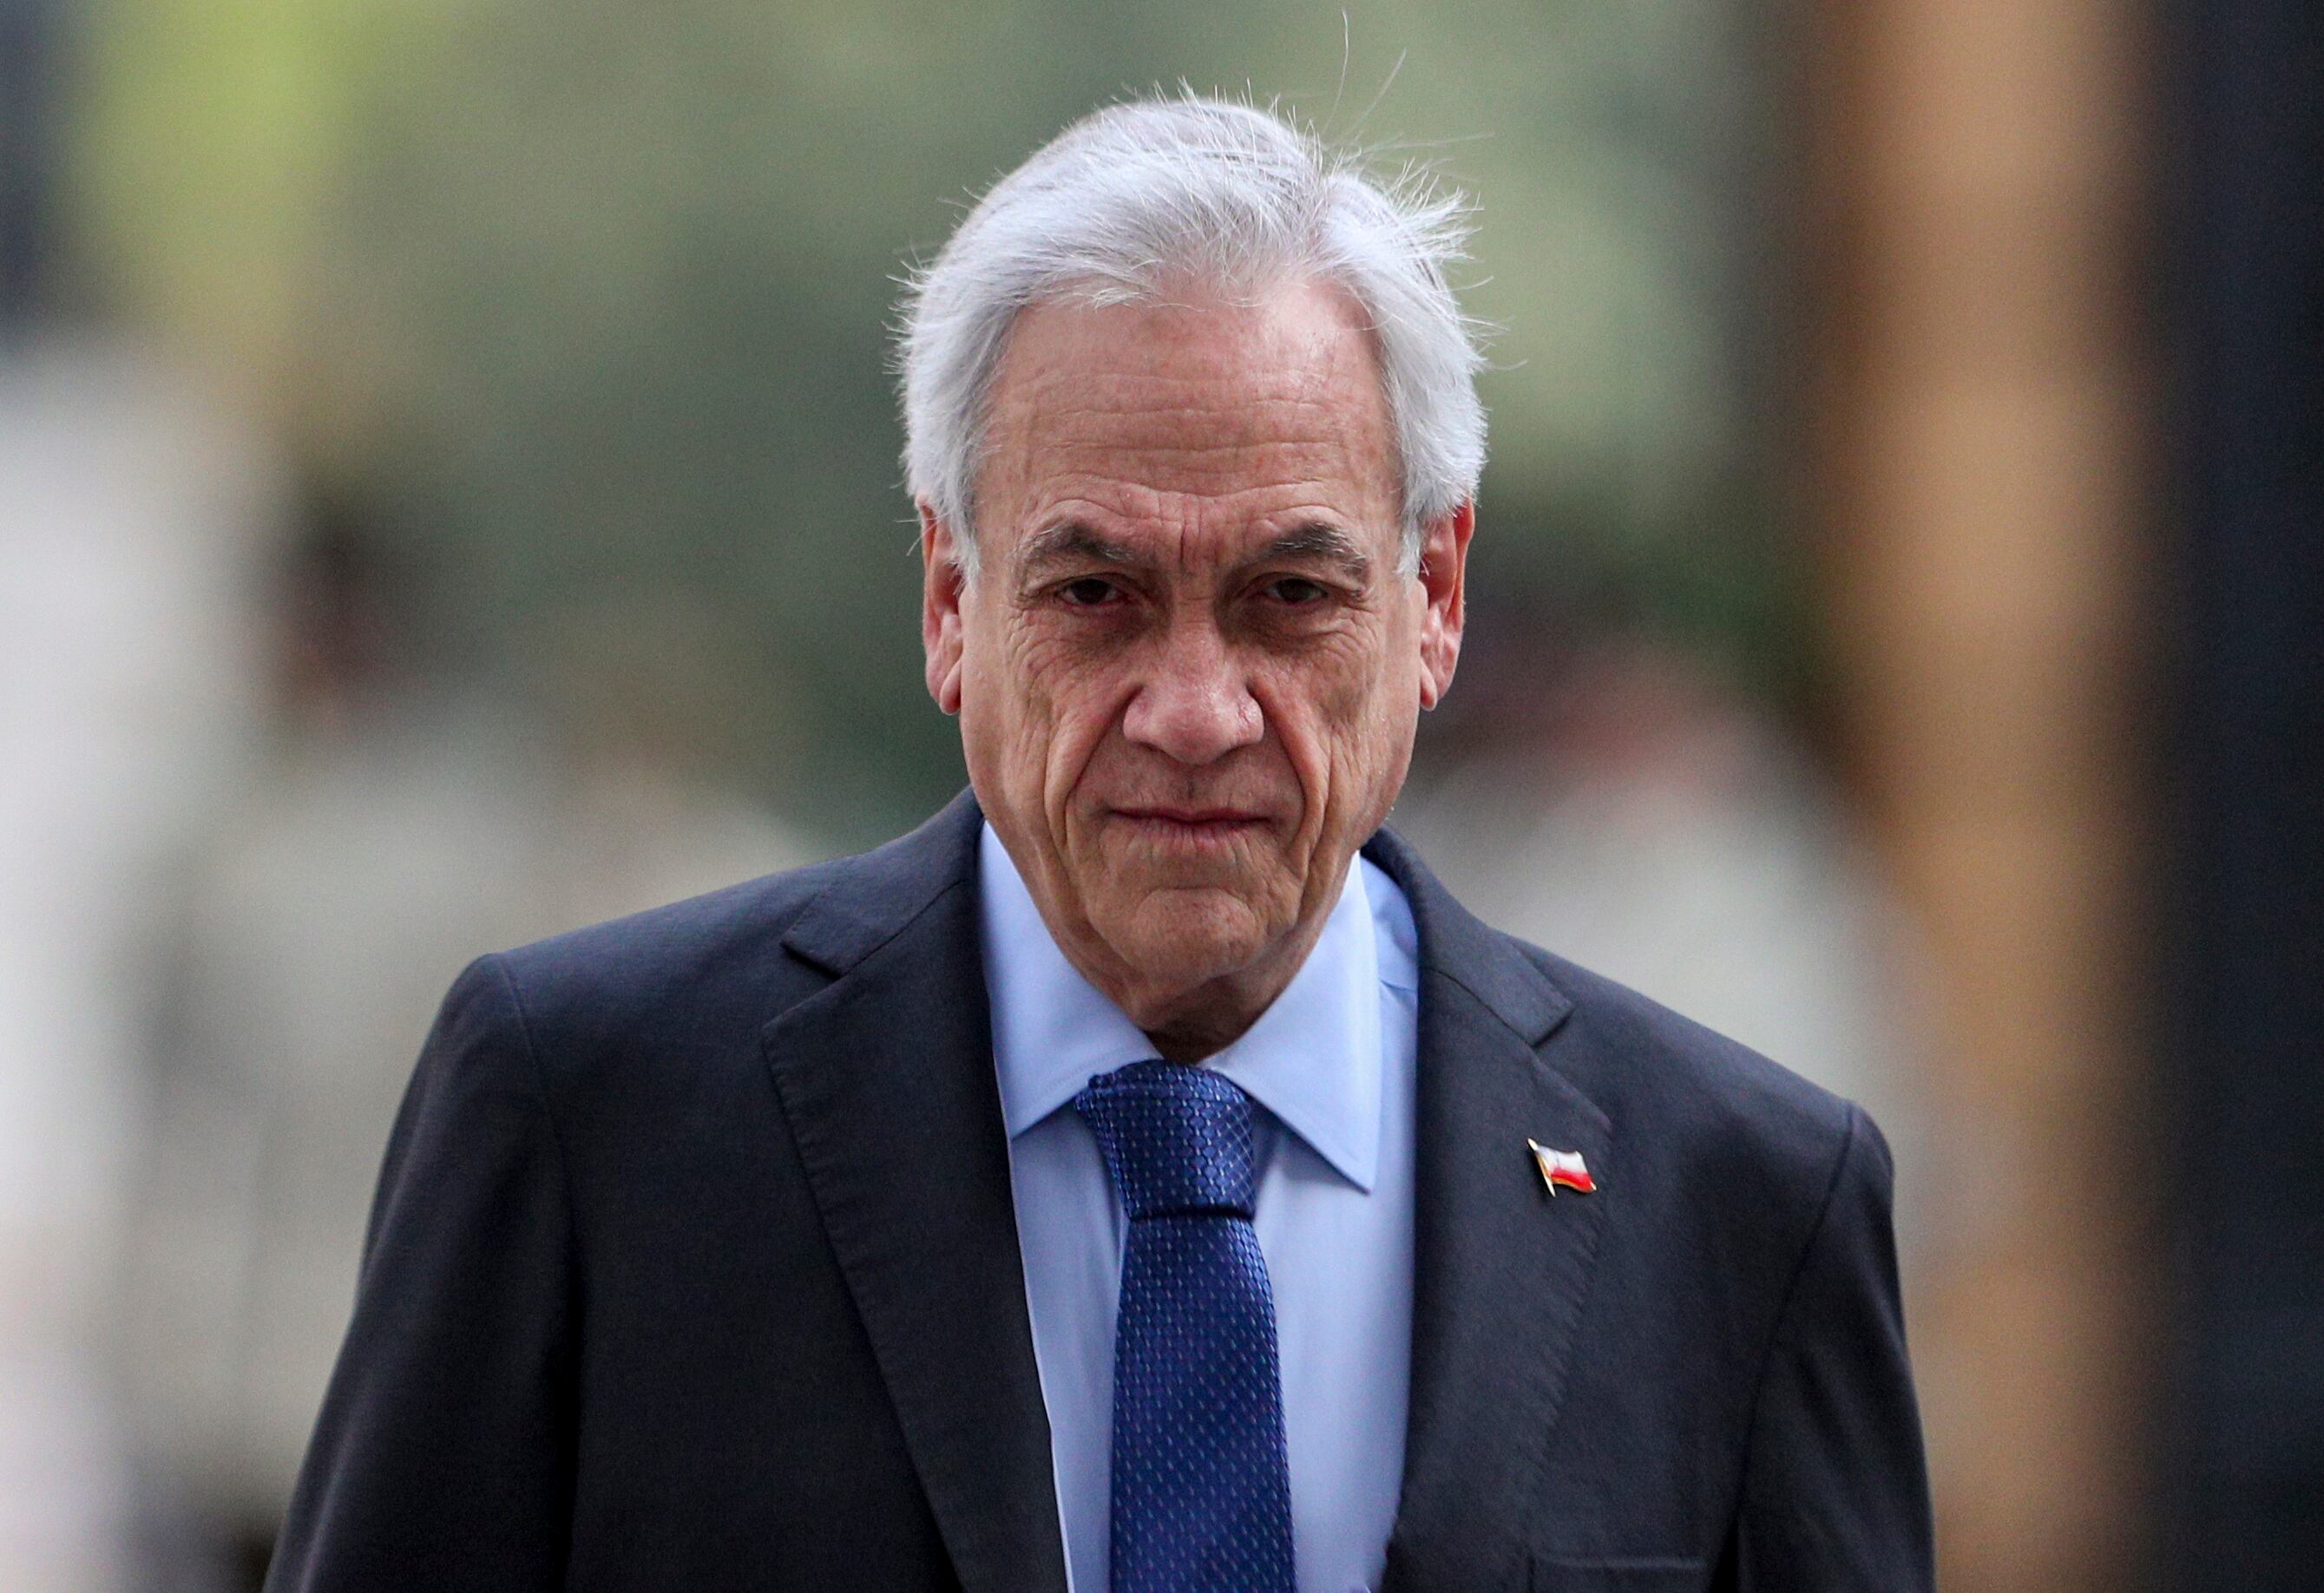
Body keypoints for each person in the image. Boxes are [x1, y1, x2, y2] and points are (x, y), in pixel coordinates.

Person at [267, 98, 1933, 1593]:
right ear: (949, 602)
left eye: (1289, 595)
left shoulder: (1737, 1203)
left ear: (1432, 602)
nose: (1194, 711)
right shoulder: (598, 1118)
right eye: (1094, 593)